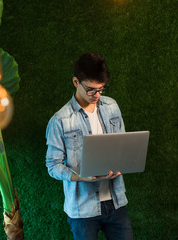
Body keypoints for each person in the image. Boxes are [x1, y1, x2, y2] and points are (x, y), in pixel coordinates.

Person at [45, 52, 133, 240]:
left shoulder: (112, 106)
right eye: (92, 89)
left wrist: (122, 164)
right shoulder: (60, 120)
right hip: (82, 209)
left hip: (116, 201)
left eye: (102, 89)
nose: (97, 95)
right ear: (76, 82)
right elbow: (52, 166)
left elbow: (122, 146)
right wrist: (81, 176)